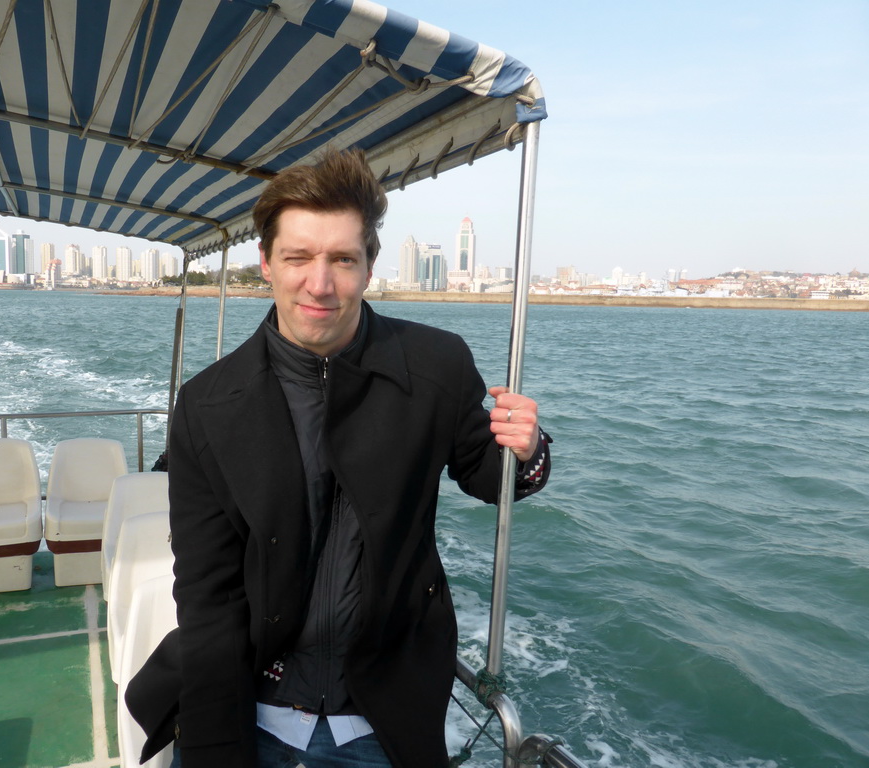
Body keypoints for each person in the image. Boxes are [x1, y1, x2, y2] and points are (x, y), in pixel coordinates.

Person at [126, 149, 551, 768]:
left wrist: (529, 446)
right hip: (252, 702)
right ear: (267, 263)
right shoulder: (206, 405)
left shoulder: (437, 365)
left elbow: (492, 477)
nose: (319, 284)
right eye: (298, 257)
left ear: (369, 266)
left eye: (342, 260)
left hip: (383, 714)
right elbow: (206, 593)